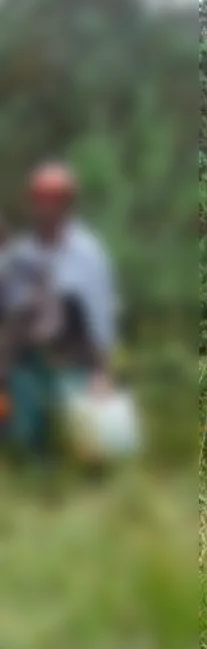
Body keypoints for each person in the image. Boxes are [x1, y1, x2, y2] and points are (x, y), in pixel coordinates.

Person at [0, 162, 120, 462]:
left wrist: (102, 372)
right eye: (40, 200)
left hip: (73, 362)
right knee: (26, 439)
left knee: (87, 445)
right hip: (27, 363)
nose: (46, 208)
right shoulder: (21, 253)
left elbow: (101, 313)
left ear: (67, 204)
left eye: (55, 200)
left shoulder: (87, 252)